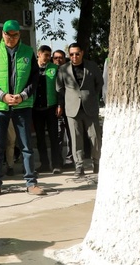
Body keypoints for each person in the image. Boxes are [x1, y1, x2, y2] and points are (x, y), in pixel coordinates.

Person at [0, 20, 45, 196]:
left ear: (20, 35)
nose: (10, 38)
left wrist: (23, 95)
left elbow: (34, 78)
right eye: (7, 34)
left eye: (14, 34)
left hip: (22, 105)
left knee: (26, 145)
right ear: (2, 34)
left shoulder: (28, 52)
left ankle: (31, 183)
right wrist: (2, 95)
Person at [55, 43, 103, 176]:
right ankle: (79, 166)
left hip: (90, 107)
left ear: (82, 53)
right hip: (72, 108)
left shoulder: (92, 66)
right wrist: (70, 98)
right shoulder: (64, 69)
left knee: (95, 137)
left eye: (77, 53)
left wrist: (90, 96)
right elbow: (59, 88)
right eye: (71, 54)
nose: (74, 57)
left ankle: (97, 162)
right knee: (76, 138)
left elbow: (99, 83)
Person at [32, 45, 62, 174]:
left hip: (51, 108)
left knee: (54, 137)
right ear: (39, 54)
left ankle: (56, 164)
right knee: (40, 138)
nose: (48, 58)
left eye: (50, 55)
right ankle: (44, 164)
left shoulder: (55, 69)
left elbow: (60, 89)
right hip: (36, 109)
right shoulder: (32, 68)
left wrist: (60, 105)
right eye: (46, 55)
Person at [53, 49, 73, 167]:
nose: (58, 60)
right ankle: (58, 161)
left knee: (71, 136)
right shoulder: (51, 72)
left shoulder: (69, 72)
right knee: (58, 136)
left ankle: (70, 160)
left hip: (69, 107)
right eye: (56, 58)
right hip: (55, 109)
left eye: (61, 57)